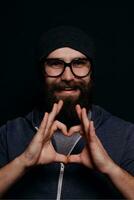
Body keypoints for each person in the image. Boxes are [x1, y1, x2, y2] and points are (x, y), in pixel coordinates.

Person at [0, 26, 134, 199]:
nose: (68, 76)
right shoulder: (9, 133)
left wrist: (110, 168)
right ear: (42, 71)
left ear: (91, 71)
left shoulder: (127, 135)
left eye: (78, 63)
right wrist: (23, 162)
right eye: (56, 64)